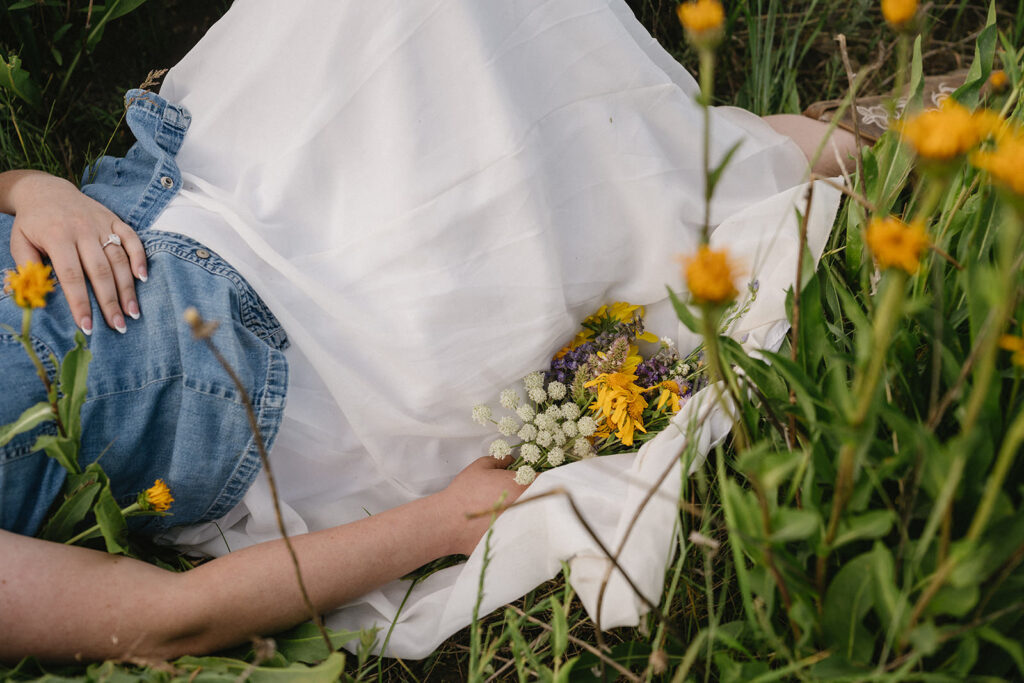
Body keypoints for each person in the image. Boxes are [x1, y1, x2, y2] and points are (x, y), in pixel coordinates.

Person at [0, 0, 855, 663]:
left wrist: (31, 186)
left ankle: (718, 135)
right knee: (535, 211)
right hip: (282, 364)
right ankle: (835, 145)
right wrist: (443, 523)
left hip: (189, 190)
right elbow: (164, 621)